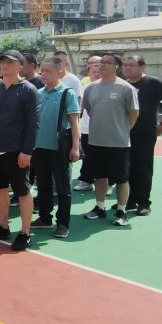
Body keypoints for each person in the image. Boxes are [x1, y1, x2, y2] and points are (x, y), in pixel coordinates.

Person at [0, 49, 40, 251]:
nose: (5, 65)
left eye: (10, 62)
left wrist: (27, 151)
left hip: (17, 151)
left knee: (23, 192)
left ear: (20, 66)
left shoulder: (29, 90)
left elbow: (33, 124)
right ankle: (4, 227)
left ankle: (25, 233)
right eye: (3, 62)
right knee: (0, 189)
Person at [82, 53, 140, 226]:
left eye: (107, 62)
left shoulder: (126, 88)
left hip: (118, 143)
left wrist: (122, 130)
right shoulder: (91, 88)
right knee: (99, 177)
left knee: (121, 178)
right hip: (96, 141)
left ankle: (121, 211)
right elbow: (90, 110)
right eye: (101, 62)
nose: (102, 65)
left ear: (116, 66)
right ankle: (100, 207)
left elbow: (134, 114)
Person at [29, 58, 81, 240]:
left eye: (47, 71)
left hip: (59, 148)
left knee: (63, 187)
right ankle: (45, 218)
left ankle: (63, 223)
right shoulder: (38, 92)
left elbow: (74, 122)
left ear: (59, 72)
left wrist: (75, 147)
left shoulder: (67, 93)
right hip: (39, 147)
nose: (43, 74)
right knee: (43, 185)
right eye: (41, 71)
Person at [122, 55, 162, 216]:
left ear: (142, 67)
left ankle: (144, 202)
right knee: (127, 167)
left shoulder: (153, 82)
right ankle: (129, 200)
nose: (127, 68)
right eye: (125, 65)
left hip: (145, 132)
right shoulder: (124, 84)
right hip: (124, 132)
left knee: (143, 167)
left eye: (132, 65)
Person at [73, 56, 102, 191]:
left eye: (99, 71)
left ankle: (107, 182)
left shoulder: (110, 87)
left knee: (103, 157)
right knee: (87, 157)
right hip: (86, 129)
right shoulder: (85, 88)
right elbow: (79, 110)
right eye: (93, 71)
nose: (96, 74)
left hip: (104, 130)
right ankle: (86, 181)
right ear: (89, 72)